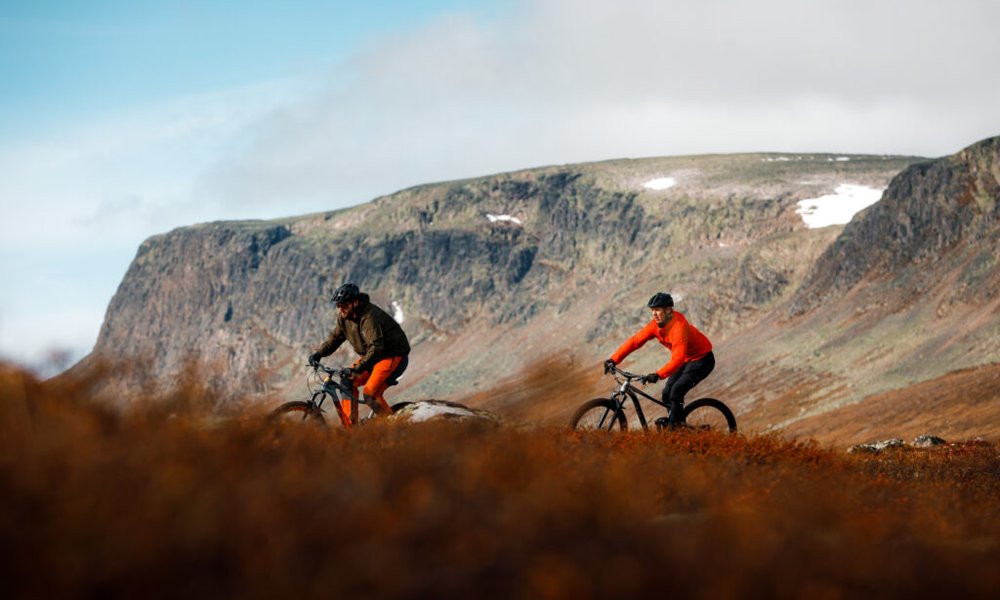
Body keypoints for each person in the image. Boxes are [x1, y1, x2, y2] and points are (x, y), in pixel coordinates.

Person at [603, 292, 714, 427]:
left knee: (676, 391)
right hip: (686, 359)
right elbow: (635, 341)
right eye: (652, 310)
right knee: (666, 393)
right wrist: (613, 360)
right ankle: (677, 423)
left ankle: (676, 429)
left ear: (668, 310)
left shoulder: (678, 327)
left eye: (657, 310)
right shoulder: (655, 326)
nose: (654, 313)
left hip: (702, 359)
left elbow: (677, 359)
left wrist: (658, 375)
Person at [309, 283, 410, 426]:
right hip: (374, 357)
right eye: (338, 305)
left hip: (392, 356)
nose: (340, 308)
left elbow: (376, 347)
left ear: (355, 302)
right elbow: (335, 339)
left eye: (343, 305)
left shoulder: (369, 317)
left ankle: (394, 428)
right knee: (347, 381)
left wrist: (358, 368)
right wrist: (318, 354)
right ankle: (351, 428)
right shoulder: (344, 318)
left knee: (370, 393)